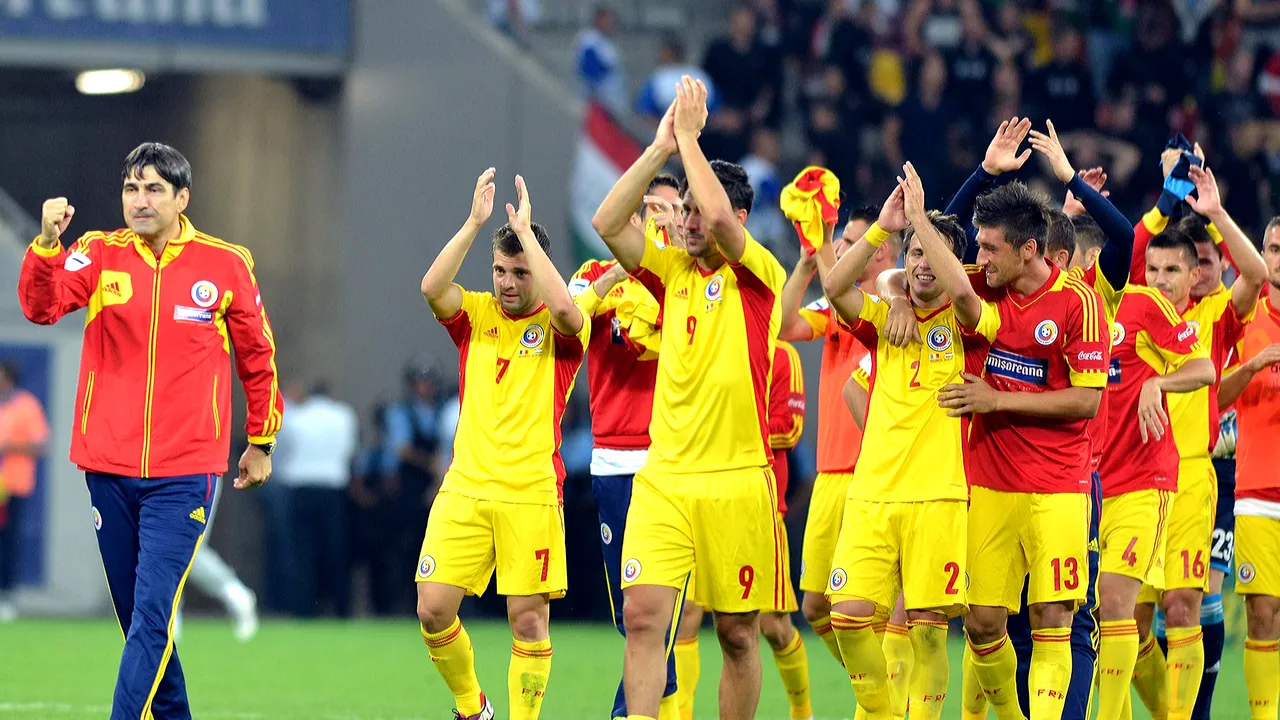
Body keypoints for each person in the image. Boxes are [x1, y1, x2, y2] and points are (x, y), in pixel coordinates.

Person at [17, 142, 282, 720]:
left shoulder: (225, 264)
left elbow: (257, 357)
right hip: (107, 466)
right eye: (131, 188)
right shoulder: (95, 252)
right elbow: (44, 307)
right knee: (140, 621)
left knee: (152, 615)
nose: (140, 201)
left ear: (182, 198)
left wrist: (261, 441)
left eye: (154, 189)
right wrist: (44, 247)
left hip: (185, 472)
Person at [591, 78, 786, 720]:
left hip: (736, 480)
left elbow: (725, 223)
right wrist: (657, 150)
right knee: (646, 619)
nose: (690, 221)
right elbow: (606, 222)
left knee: (735, 632)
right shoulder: (670, 270)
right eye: (687, 212)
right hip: (665, 477)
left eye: (698, 211)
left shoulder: (759, 275)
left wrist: (690, 141)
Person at [883, 177, 1111, 720]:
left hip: (1058, 487)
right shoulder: (985, 288)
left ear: (1027, 250)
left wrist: (996, 400)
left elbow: (1085, 402)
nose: (978, 257)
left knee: (1052, 617)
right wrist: (895, 294)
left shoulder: (1079, 302)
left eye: (988, 247)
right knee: (983, 622)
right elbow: (903, 274)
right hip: (988, 484)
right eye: (977, 246)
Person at [823, 165, 998, 720]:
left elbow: (965, 294)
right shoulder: (882, 318)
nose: (922, 264)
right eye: (914, 252)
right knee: (847, 617)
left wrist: (922, 219)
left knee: (927, 632)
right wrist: (884, 228)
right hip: (871, 495)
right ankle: (880, 712)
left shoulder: (972, 324)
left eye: (933, 254)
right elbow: (833, 287)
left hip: (938, 497)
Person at [416, 169, 589, 720]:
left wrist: (530, 239)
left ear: (537, 268)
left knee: (528, 621)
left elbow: (566, 311)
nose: (507, 283)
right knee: (433, 609)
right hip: (465, 487)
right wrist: (474, 224)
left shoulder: (563, 333)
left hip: (530, 493)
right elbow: (431, 288)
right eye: (499, 270)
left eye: (519, 271)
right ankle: (473, 708)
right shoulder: (476, 316)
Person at [1126, 165, 1267, 720]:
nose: (1160, 280)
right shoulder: (1131, 312)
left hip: (1189, 476)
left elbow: (1253, 274)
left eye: (1172, 270)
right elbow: (1129, 248)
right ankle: (1166, 712)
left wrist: (1214, 212)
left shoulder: (1211, 316)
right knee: (1129, 618)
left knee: (1183, 604)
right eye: (1153, 269)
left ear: (1193, 277)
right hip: (1133, 478)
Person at [778, 206, 917, 704]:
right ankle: (879, 691)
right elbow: (784, 325)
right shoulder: (839, 309)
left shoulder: (907, 308)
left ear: (881, 252)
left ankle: (885, 705)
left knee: (884, 616)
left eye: (849, 242)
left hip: (884, 480)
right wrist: (806, 261)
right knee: (816, 605)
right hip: (831, 475)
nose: (841, 250)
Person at [568, 172, 684, 720]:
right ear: (633, 217)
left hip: (674, 460)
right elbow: (566, 321)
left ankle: (628, 712)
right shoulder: (596, 274)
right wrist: (622, 267)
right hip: (614, 459)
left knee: (657, 614)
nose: (659, 219)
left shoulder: (693, 279)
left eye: (671, 209)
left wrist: (673, 251)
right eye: (651, 210)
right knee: (630, 614)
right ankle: (653, 696)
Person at [677, 338, 813, 720]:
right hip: (700, 503)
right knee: (687, 614)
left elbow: (790, 428)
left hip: (759, 511)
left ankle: (803, 712)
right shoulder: (707, 344)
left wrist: (726, 428)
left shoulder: (782, 353)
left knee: (772, 626)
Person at [1218, 217, 1280, 720]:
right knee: (1262, 613)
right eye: (1274, 249)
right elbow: (1216, 397)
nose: (1279, 259)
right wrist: (1254, 365)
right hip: (1257, 486)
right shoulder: (1244, 317)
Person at [276, 381, 360, 617]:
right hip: (333, 488)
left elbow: (283, 449)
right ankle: (342, 608)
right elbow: (350, 451)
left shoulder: (297, 417)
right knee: (336, 550)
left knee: (302, 552)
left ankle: (303, 608)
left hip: (301, 488)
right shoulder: (344, 415)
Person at [0, 359, 50, 622]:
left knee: (9, 541)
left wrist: (10, 447)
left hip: (14, 484)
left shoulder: (27, 406)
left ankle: (6, 596)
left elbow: (41, 445)